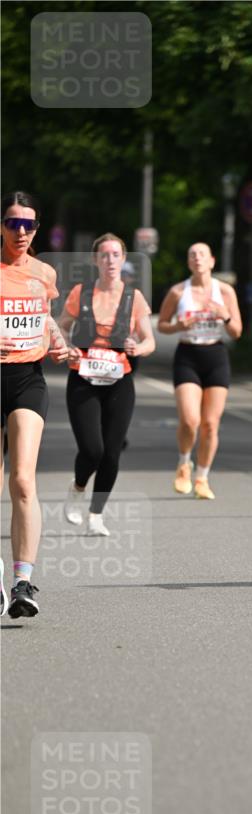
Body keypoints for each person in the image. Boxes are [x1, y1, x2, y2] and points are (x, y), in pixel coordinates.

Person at [57, 233, 155, 536]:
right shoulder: (81, 292)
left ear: (123, 259)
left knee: (112, 452)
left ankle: (96, 515)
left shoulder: (133, 297)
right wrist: (66, 346)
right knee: (92, 449)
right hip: (83, 378)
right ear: (95, 260)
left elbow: (149, 340)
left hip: (119, 381)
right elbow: (61, 325)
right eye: (104, 255)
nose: (110, 260)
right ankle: (77, 488)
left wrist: (136, 348)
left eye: (115, 255)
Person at [0, 191, 68, 618]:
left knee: (23, 481)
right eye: (13, 224)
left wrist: (58, 341)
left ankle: (23, 582)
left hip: (28, 380)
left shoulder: (44, 273)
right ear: (1, 226)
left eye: (29, 225)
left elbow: (42, 316)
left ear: (37, 229)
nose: (21, 232)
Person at [157, 243, 242, 499]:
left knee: (210, 424)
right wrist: (178, 325)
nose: (197, 258)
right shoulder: (177, 291)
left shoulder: (225, 291)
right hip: (187, 355)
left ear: (212, 261)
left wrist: (225, 315)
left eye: (201, 254)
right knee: (190, 420)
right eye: (192, 255)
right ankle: (184, 463)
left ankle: (202, 478)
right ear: (188, 262)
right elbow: (161, 324)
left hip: (215, 356)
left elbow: (237, 331)